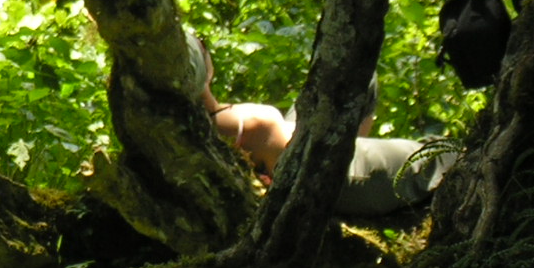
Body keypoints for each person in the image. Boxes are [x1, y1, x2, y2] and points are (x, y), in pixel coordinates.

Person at [186, 32, 453, 218]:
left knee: (357, 69)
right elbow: (296, 159)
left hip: (300, 152)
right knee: (440, 154)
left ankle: (355, 144)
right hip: (327, 173)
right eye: (201, 44)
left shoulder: (204, 123)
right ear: (202, 69)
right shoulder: (252, 123)